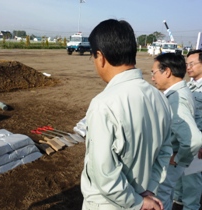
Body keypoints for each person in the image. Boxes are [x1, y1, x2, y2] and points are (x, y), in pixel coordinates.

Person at [80, 19, 173, 210]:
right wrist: (148, 190)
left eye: (93, 57)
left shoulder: (103, 104)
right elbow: (165, 152)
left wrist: (137, 202)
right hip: (143, 193)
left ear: (101, 57)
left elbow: (104, 174)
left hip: (107, 204)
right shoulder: (160, 98)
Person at [151, 53, 202, 210]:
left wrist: (179, 158)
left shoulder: (177, 98)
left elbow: (194, 140)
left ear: (167, 72)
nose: (152, 77)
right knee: (172, 193)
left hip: (178, 154)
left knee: (163, 197)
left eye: (154, 72)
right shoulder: (185, 88)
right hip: (179, 149)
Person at [173, 49, 202, 210]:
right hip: (184, 140)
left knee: (192, 180)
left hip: (197, 142)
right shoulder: (189, 85)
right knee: (180, 176)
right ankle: (178, 201)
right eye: (187, 64)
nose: (188, 67)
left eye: (192, 64)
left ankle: (191, 207)